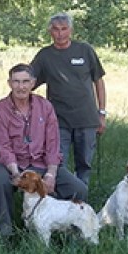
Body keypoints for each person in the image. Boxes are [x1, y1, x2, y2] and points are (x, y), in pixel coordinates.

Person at [0, 63, 88, 239]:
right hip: (10, 163)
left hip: (40, 163)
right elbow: (2, 146)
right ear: (9, 83)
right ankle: (5, 235)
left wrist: (51, 174)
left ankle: (63, 230)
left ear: (33, 83)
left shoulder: (45, 107)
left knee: (78, 188)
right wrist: (15, 173)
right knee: (1, 183)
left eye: (25, 81)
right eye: (16, 82)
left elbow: (53, 143)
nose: (21, 86)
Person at [31, 13, 106, 185]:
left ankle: (82, 203)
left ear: (71, 30)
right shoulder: (45, 55)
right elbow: (29, 82)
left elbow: (99, 81)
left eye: (64, 29)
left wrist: (101, 113)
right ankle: (62, 203)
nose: (60, 34)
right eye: (56, 29)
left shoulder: (85, 50)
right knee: (58, 164)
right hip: (58, 121)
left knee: (85, 165)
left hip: (87, 118)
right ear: (50, 31)